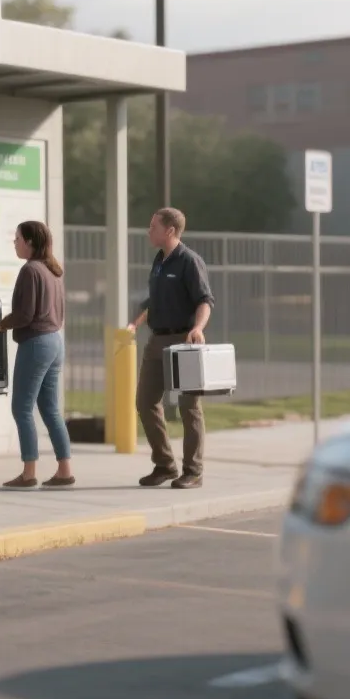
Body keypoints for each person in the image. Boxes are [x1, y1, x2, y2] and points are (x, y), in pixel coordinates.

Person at [125, 207, 214, 489]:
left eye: (153, 227)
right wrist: (135, 323)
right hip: (157, 340)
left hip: (184, 342)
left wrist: (198, 328)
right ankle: (164, 465)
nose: (148, 231)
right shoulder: (159, 261)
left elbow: (204, 300)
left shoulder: (189, 261)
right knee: (145, 401)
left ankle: (193, 471)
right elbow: (153, 301)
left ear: (170, 230)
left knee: (189, 406)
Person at [0, 220, 73, 489]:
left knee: (22, 408)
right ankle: (64, 470)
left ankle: (28, 473)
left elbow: (25, 315)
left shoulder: (30, 270)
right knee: (50, 409)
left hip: (36, 343)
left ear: (30, 242)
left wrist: (0, 325)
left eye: (17, 239)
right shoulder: (54, 270)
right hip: (54, 342)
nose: (15, 243)